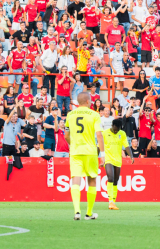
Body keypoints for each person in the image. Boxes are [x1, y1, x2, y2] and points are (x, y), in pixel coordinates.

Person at [63, 90, 103, 221]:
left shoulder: (70, 114)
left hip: (75, 151)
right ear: (88, 101)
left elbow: (66, 136)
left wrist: (72, 144)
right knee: (91, 180)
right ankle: (89, 213)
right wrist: (102, 154)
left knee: (76, 179)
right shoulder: (94, 114)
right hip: (90, 151)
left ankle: (76, 212)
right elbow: (99, 135)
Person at [103, 118, 134, 210]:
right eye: (115, 129)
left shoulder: (122, 133)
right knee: (110, 178)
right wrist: (98, 158)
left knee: (116, 181)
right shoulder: (105, 133)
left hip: (118, 160)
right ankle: (110, 201)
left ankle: (113, 201)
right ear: (112, 126)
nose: (116, 131)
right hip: (108, 159)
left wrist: (131, 156)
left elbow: (126, 146)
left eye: (118, 130)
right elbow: (99, 146)